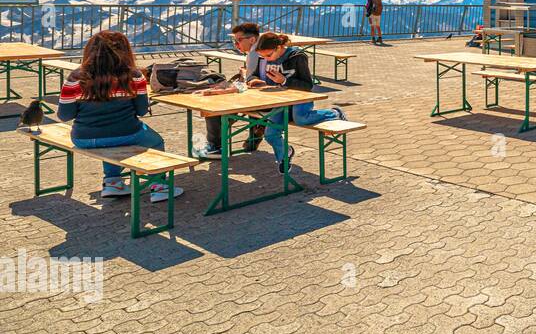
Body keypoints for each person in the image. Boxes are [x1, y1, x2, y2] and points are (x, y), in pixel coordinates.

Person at [57, 30, 184, 202]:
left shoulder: (75, 78)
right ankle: (159, 186)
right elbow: (141, 111)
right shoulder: (134, 75)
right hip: (127, 133)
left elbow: (64, 116)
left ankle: (113, 182)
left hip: (83, 138)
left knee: (109, 142)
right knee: (155, 141)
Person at [246, 33, 343, 172]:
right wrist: (254, 80)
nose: (266, 59)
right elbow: (255, 74)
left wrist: (284, 81)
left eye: (268, 55)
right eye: (263, 56)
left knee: (301, 119)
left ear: (279, 47)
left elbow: (307, 85)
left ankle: (334, 113)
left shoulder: (297, 57)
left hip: (300, 99)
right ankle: (285, 155)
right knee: (270, 134)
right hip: (280, 102)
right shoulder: (264, 59)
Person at [194, 21, 264, 160]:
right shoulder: (257, 50)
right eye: (234, 40)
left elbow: (250, 85)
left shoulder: (255, 54)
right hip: (258, 95)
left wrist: (223, 90)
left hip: (258, 98)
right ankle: (255, 133)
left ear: (252, 39)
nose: (236, 44)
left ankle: (215, 147)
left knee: (213, 109)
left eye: (239, 40)